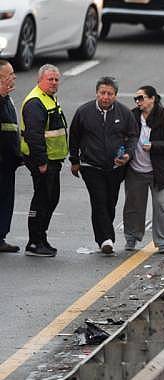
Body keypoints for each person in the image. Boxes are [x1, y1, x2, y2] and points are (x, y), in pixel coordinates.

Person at [69, 76, 138, 254]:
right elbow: (74, 137)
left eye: (110, 94)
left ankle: (104, 235)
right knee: (98, 200)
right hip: (91, 166)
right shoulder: (84, 112)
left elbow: (132, 136)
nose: (105, 97)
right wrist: (74, 161)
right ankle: (106, 239)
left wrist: (128, 155)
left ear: (115, 95)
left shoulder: (124, 113)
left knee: (110, 202)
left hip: (115, 167)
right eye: (102, 93)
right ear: (96, 93)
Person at [123, 85, 164, 254]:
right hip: (135, 170)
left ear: (152, 98)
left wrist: (154, 146)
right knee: (133, 205)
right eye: (136, 99)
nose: (138, 101)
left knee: (161, 205)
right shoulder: (132, 116)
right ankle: (131, 237)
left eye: (141, 98)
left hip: (159, 172)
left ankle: (163, 241)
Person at [20, 64, 68, 257]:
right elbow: (34, 135)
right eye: (50, 79)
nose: (54, 82)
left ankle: (41, 237)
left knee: (51, 198)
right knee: (42, 200)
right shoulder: (35, 102)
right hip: (42, 161)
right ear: (39, 80)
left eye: (56, 79)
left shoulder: (48, 98)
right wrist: (41, 162)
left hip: (52, 160)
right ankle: (34, 241)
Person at [0, 61, 23, 253]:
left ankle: (0, 237)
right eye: (10, 75)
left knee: (6, 200)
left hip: (7, 162)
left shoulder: (7, 99)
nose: (14, 78)